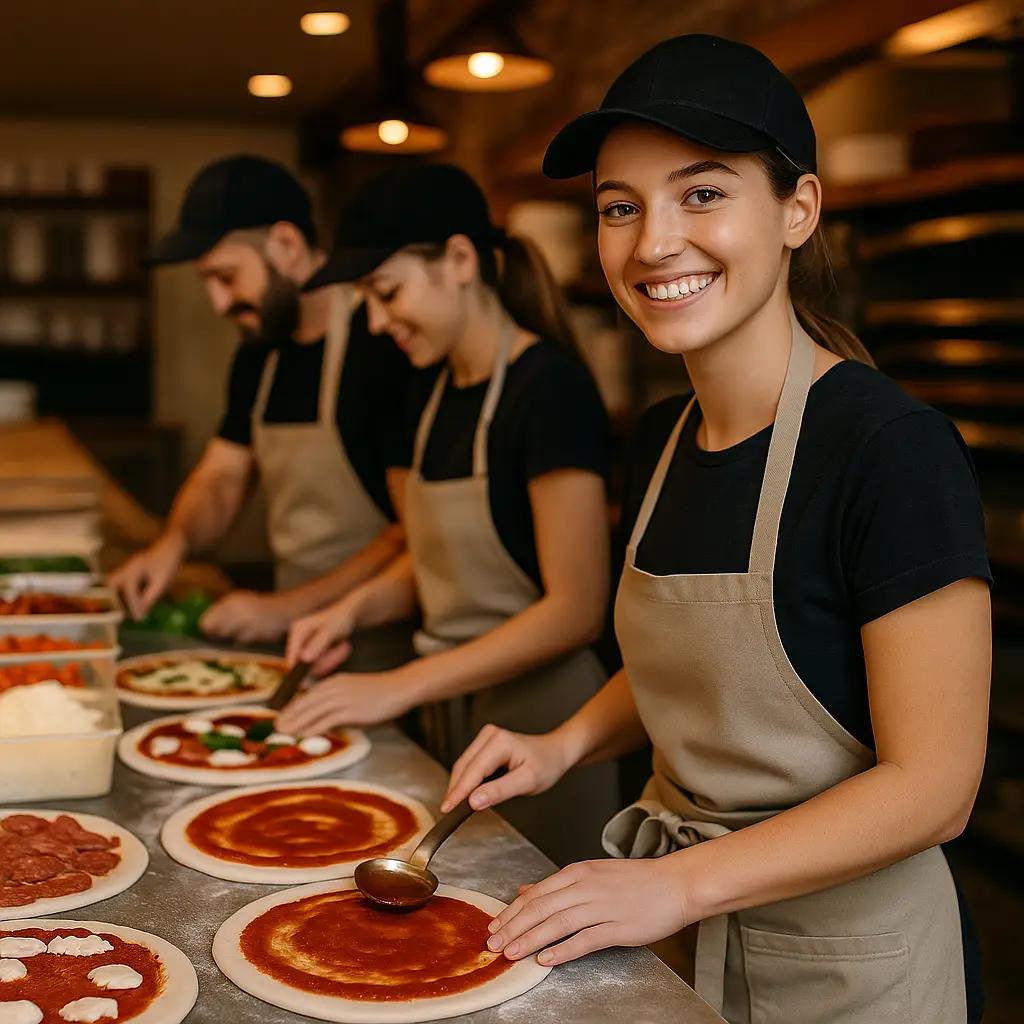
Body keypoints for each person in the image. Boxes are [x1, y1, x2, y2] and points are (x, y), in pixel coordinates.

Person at [440, 35, 991, 1024]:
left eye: (701, 194)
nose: (652, 242)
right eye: (619, 206)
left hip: (851, 969)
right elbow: (691, 661)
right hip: (681, 948)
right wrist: (563, 742)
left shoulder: (890, 449)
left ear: (797, 210)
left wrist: (674, 884)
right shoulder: (657, 438)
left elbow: (934, 785)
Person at [278, 163, 620, 866]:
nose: (377, 321)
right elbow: (437, 559)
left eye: (387, 292)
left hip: (546, 723)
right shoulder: (428, 395)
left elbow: (577, 608)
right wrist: (352, 610)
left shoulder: (549, 390)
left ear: (461, 260)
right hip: (454, 714)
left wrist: (399, 685)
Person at [110, 156, 416, 667]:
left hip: (385, 642)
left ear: (287, 246)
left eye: (226, 277)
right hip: (297, 640)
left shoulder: (383, 342)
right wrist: (173, 545)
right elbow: (224, 475)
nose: (217, 302)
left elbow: (413, 531)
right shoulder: (260, 352)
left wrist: (283, 609)